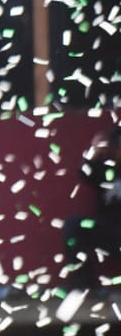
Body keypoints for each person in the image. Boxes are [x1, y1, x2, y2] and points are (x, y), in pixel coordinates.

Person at [64, 123, 121, 290]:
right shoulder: (104, 169)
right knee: (73, 226)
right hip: (110, 232)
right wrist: (93, 151)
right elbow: (84, 172)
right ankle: (84, 286)